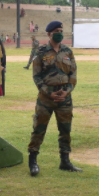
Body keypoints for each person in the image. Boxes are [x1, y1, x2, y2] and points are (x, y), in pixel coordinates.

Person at [28, 21, 81, 176]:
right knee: (39, 128)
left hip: (64, 97)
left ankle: (65, 161)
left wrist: (68, 91)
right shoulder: (41, 51)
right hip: (46, 98)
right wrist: (47, 92)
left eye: (61, 30)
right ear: (49, 34)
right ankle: (33, 161)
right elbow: (36, 76)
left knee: (65, 130)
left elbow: (73, 74)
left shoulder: (67, 51)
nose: (60, 33)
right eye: (56, 31)